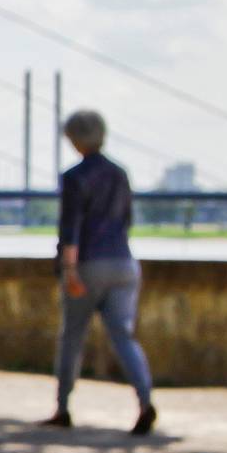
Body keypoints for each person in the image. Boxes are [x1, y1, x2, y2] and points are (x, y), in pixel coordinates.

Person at [43, 109, 156, 435]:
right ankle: (145, 400)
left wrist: (69, 270)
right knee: (123, 335)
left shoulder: (75, 177)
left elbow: (71, 228)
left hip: (89, 264)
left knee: (72, 337)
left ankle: (63, 408)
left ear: (75, 139)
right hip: (124, 263)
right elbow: (126, 220)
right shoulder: (120, 174)